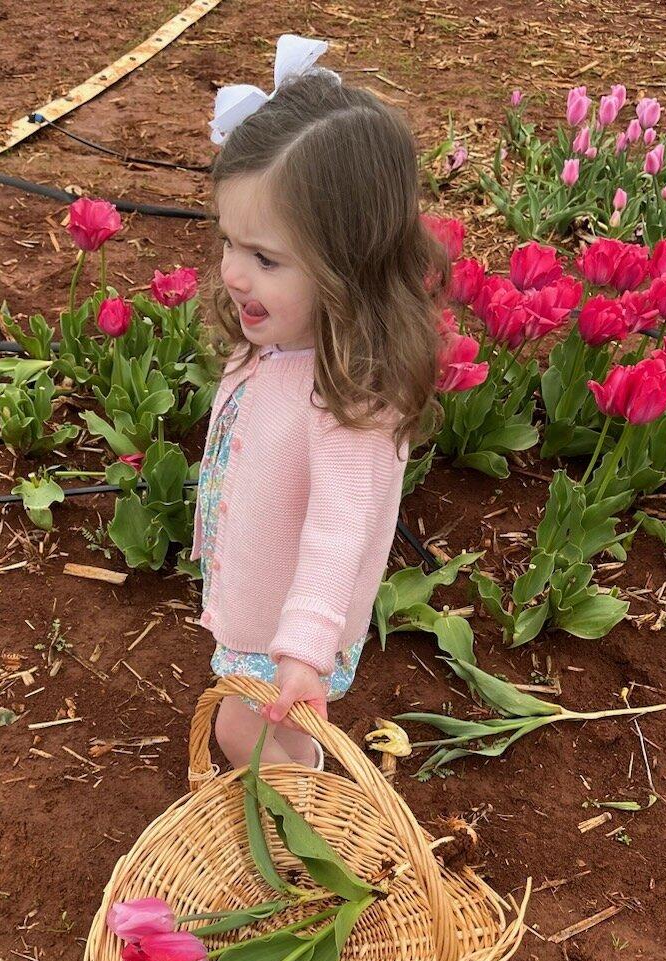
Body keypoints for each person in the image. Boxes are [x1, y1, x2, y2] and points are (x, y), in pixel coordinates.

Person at [191, 34, 448, 772]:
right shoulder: (279, 340)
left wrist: (304, 649)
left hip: (291, 626)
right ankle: (290, 802)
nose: (234, 273)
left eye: (265, 258)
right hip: (255, 599)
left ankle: (299, 824)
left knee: (246, 734)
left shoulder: (350, 399)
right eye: (230, 242)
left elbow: (341, 531)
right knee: (256, 732)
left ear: (349, 264)